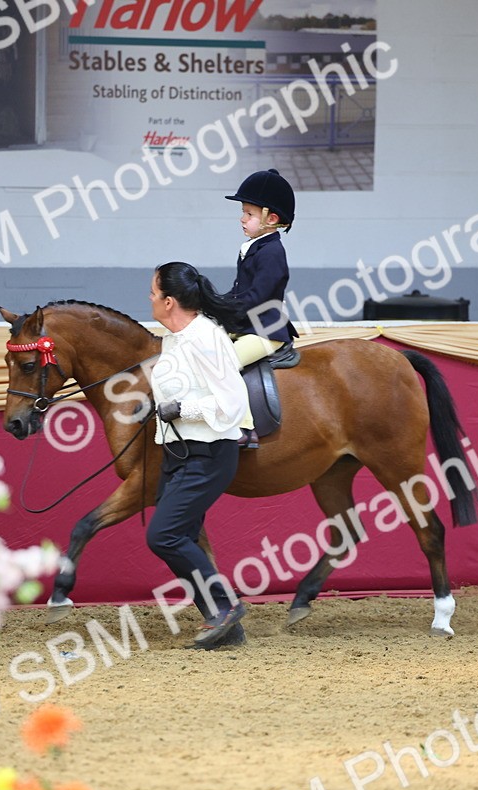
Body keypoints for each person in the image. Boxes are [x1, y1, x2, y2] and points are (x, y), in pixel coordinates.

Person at [147, 261, 251, 649]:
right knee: (181, 535)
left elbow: (232, 400)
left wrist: (182, 410)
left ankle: (224, 607)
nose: (150, 298)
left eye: (154, 293)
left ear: (169, 301)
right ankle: (224, 625)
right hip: (178, 454)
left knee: (164, 535)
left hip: (208, 454)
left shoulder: (205, 337)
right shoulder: (174, 338)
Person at [224, 168, 299, 448]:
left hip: (266, 331)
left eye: (250, 214)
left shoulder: (272, 251)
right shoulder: (253, 247)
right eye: (243, 212)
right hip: (247, 326)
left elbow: (257, 296)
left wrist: (226, 311)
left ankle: (245, 427)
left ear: (272, 219)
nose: (242, 219)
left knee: (224, 362)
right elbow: (238, 291)